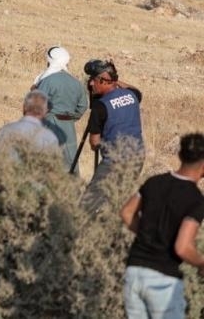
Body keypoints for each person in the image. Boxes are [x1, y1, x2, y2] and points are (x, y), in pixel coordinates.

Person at [120, 133, 204, 319]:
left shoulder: (154, 182)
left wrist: (146, 233)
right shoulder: (195, 199)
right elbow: (182, 247)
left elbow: (127, 213)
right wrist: (201, 262)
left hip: (134, 271)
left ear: (180, 155)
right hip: (163, 280)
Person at [81, 59, 145, 211]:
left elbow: (94, 143)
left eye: (94, 80)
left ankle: (79, 231)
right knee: (120, 200)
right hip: (137, 157)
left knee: (88, 204)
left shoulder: (100, 106)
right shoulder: (132, 95)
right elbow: (136, 90)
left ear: (104, 81)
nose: (90, 84)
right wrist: (113, 80)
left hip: (114, 162)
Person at [32, 46, 88, 172]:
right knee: (69, 160)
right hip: (68, 125)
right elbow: (83, 106)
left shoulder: (47, 80)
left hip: (49, 123)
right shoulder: (76, 82)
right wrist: (70, 118)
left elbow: (37, 102)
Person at [0, 90, 61, 163]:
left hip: (6, 173)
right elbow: (52, 168)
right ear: (44, 112)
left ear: (24, 108)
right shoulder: (50, 137)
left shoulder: (5, 130)